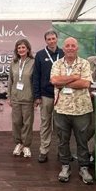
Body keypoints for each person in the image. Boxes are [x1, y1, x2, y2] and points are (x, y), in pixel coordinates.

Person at [50, 37, 95, 185]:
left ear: (77, 48)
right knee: (63, 140)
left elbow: (85, 83)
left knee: (82, 141)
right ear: (64, 49)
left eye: (73, 46)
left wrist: (66, 80)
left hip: (81, 110)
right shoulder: (57, 63)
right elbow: (54, 81)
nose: (70, 48)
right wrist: (74, 77)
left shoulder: (85, 63)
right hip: (61, 109)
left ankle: (83, 168)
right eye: (67, 46)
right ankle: (65, 166)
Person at [32, 30, 64, 163]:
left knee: (60, 125)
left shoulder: (63, 54)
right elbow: (36, 76)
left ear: (57, 39)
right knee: (45, 124)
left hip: (61, 95)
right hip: (46, 95)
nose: (51, 41)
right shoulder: (40, 55)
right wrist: (37, 96)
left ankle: (61, 151)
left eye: (53, 38)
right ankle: (43, 150)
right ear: (45, 41)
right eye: (49, 39)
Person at [8, 38, 37, 158]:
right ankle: (18, 144)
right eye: (19, 48)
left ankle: (26, 146)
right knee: (16, 122)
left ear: (28, 49)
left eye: (23, 47)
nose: (21, 49)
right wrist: (9, 96)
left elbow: (35, 81)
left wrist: (36, 97)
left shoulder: (33, 62)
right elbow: (10, 80)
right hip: (15, 98)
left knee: (27, 123)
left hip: (28, 98)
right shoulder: (14, 62)